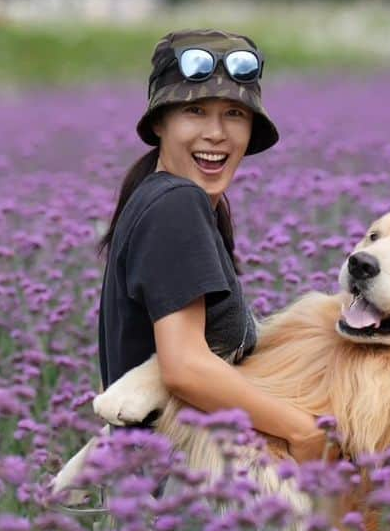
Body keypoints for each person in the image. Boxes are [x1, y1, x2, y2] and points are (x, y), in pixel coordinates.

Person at [97, 29, 327, 464]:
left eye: (234, 114)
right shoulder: (176, 206)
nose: (216, 133)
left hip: (154, 489)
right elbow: (184, 368)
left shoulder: (161, 199)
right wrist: (303, 431)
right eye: (195, 111)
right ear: (160, 123)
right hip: (184, 497)